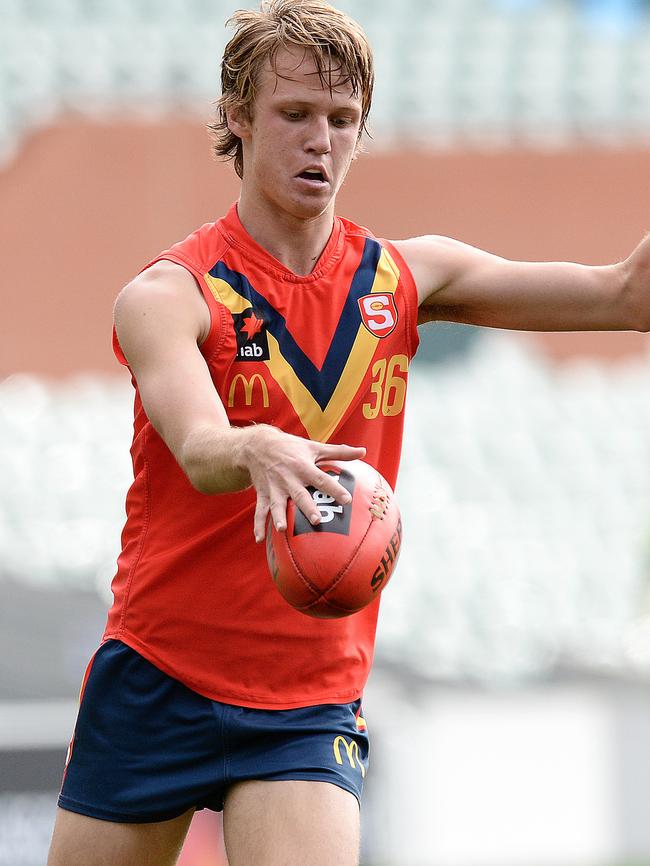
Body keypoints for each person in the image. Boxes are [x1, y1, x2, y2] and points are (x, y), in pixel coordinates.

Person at [47, 1, 649, 864]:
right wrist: (256, 446)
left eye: (341, 120)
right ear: (237, 118)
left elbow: (627, 298)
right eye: (294, 115)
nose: (319, 140)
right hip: (158, 676)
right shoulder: (169, 295)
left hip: (305, 698)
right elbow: (200, 450)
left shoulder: (405, 278)